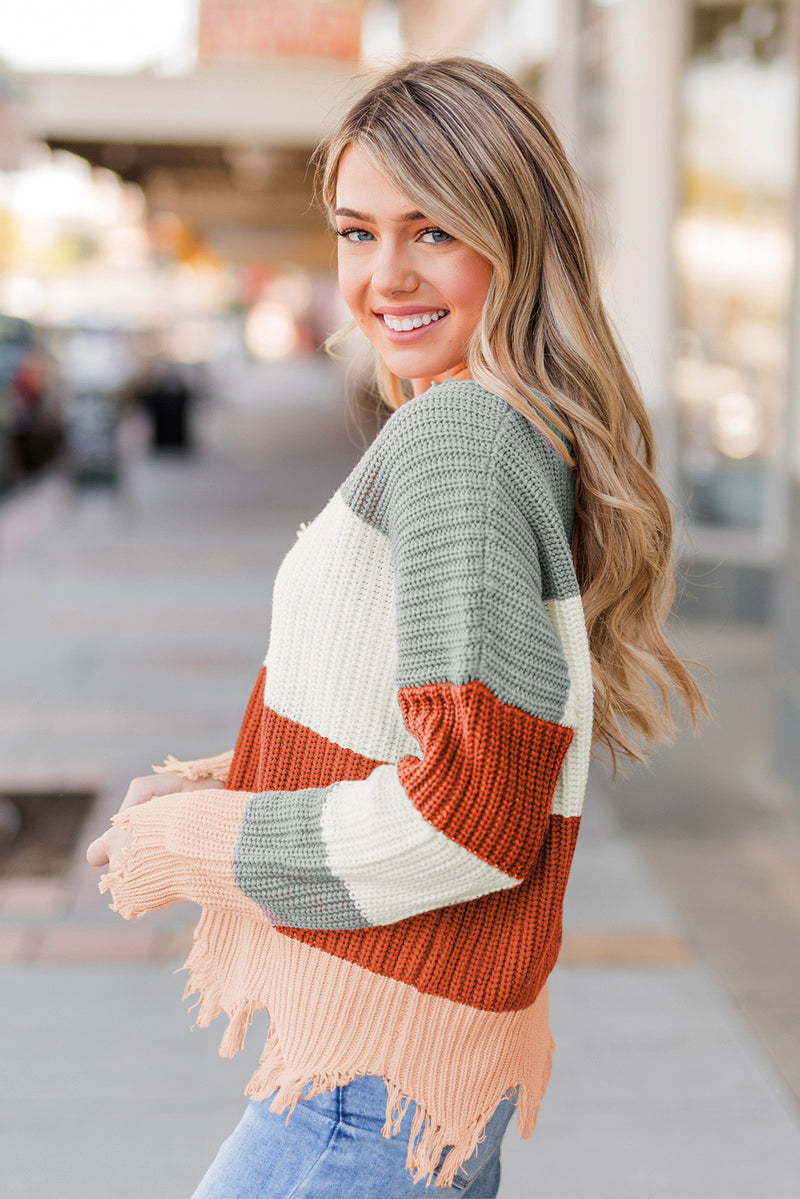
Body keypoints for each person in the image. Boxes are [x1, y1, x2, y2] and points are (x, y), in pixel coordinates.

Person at [86, 57, 705, 1196]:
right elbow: (408, 726)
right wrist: (221, 782)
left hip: (358, 1113)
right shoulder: (488, 427)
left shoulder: (460, 444)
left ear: (514, 239)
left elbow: (469, 817)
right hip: (394, 1088)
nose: (385, 276)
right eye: (356, 232)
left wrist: (198, 845)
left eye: (431, 231)